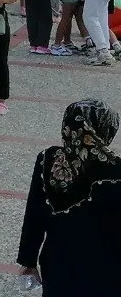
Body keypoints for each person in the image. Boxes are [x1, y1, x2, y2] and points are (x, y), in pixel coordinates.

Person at [17, 99, 121, 293]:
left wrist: (28, 260)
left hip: (58, 265)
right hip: (106, 270)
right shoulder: (116, 171)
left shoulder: (47, 160)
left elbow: (34, 214)